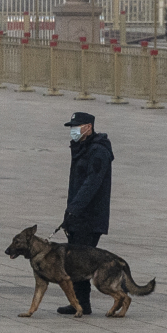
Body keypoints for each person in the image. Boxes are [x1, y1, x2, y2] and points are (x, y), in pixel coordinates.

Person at [59, 111, 113, 315]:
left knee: (80, 260)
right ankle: (79, 302)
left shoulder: (98, 151)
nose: (72, 131)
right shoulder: (81, 148)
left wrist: (75, 208)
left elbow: (92, 184)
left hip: (90, 217)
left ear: (88, 127)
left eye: (76, 127)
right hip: (77, 215)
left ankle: (82, 303)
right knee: (75, 260)